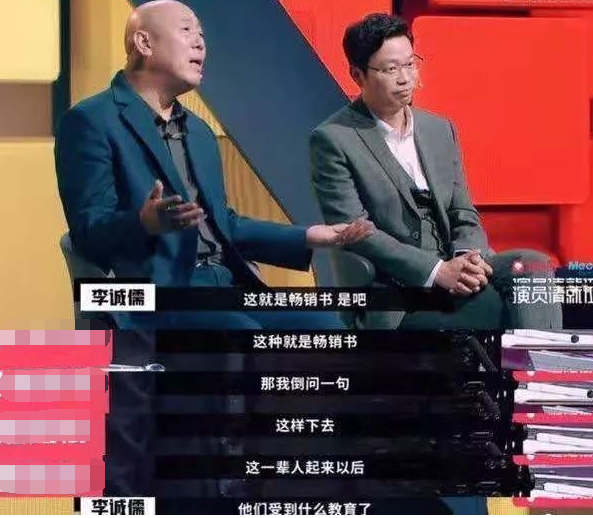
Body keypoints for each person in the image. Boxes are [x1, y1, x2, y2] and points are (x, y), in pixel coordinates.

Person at [55, 0, 373, 332]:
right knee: (240, 336)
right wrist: (143, 223)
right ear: (144, 43)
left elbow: (223, 224)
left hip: (226, 283)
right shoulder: (91, 121)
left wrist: (310, 236)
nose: (200, 43)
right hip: (152, 296)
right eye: (186, 30)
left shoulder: (198, 131)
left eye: (202, 35)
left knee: (326, 325)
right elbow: (88, 234)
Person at [310, 13, 562, 331]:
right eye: (391, 69)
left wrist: (469, 257)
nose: (405, 78)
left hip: (457, 264)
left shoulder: (439, 129)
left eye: (410, 64)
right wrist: (436, 271)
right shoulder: (333, 139)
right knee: (495, 307)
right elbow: (356, 231)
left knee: (532, 267)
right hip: (398, 288)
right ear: (357, 75)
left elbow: (463, 211)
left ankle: (541, 364)